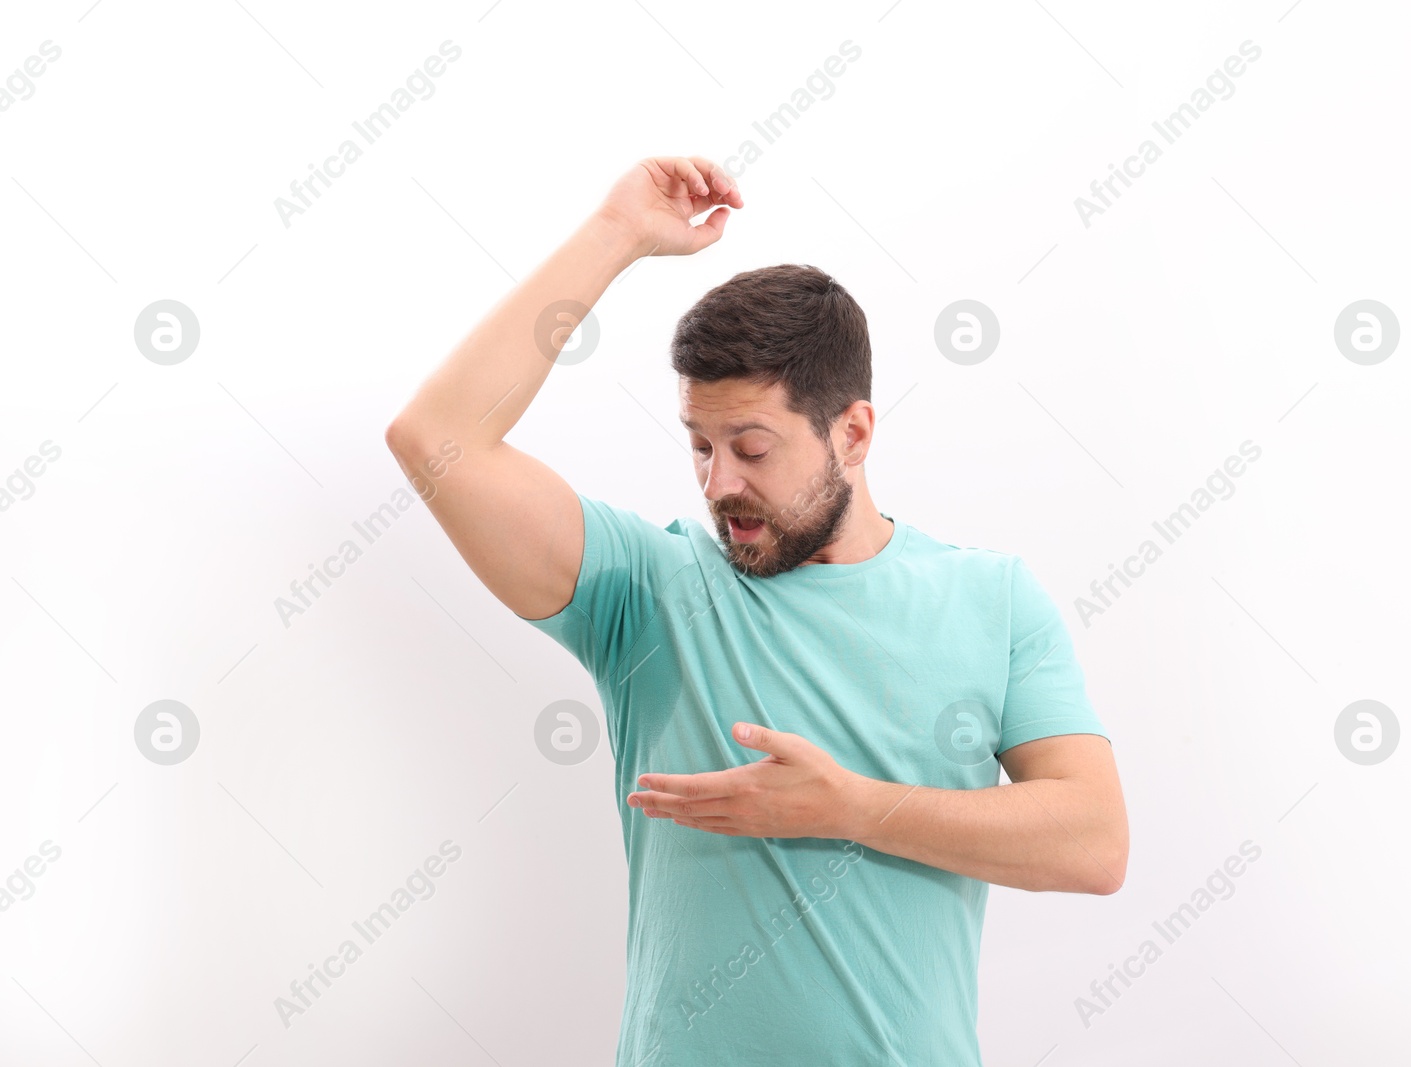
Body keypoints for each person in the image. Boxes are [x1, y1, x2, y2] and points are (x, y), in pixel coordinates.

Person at [385, 154, 1129, 1066]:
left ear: (851, 434)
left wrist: (850, 807)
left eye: (751, 446)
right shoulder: (648, 591)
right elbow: (438, 439)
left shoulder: (991, 596)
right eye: (699, 445)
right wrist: (614, 235)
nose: (717, 482)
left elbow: (1094, 843)